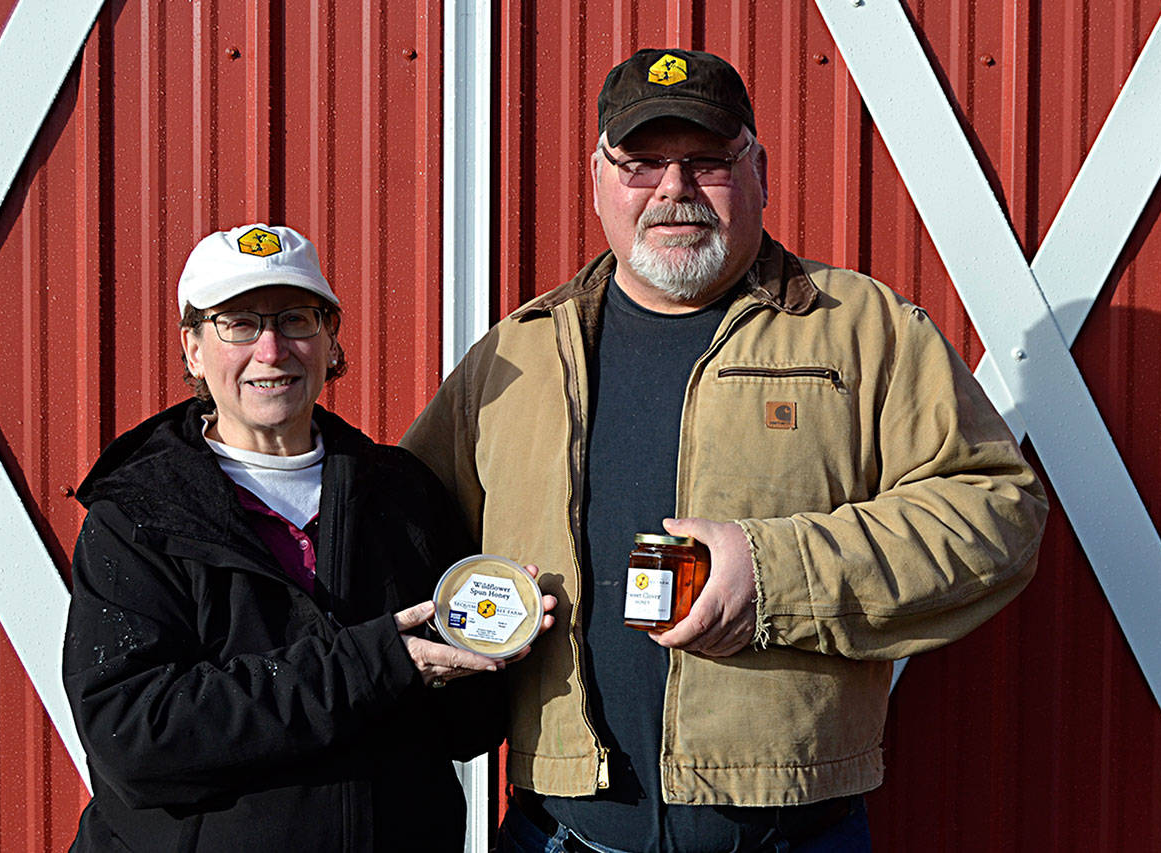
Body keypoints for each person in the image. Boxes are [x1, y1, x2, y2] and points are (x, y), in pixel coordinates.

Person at [402, 49, 1048, 852]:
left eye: (707, 161)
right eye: (641, 163)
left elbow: (996, 510)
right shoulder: (519, 355)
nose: (674, 189)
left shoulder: (862, 328)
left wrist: (776, 572)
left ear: (759, 170)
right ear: (597, 177)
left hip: (790, 834)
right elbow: (401, 531)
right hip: (558, 832)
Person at [62, 223, 553, 851]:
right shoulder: (141, 514)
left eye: (295, 319)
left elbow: (465, 733)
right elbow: (133, 737)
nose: (271, 350)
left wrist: (492, 639)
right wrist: (377, 664)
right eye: (238, 324)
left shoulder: (401, 494)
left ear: (329, 340)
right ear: (192, 349)